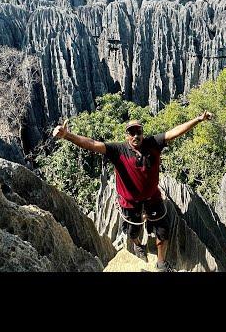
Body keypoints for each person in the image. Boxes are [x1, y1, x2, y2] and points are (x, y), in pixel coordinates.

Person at [52, 111, 213, 272]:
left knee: (162, 231)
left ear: (143, 133)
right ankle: (138, 246)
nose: (136, 136)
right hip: (129, 202)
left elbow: (174, 132)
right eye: (132, 132)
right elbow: (92, 143)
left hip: (153, 198)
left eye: (139, 132)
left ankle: (161, 263)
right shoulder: (118, 150)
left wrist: (198, 120)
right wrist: (67, 135)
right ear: (127, 135)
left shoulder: (153, 143)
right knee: (132, 232)